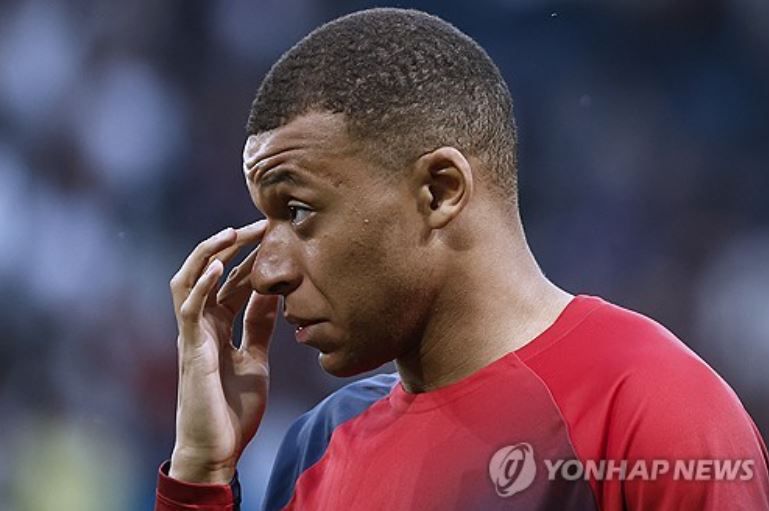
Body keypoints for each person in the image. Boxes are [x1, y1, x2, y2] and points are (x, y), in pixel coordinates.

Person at [154, 8, 769, 511]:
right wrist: (200, 477)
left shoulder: (653, 410)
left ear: (440, 190)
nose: (268, 271)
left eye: (298, 211)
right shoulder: (316, 445)